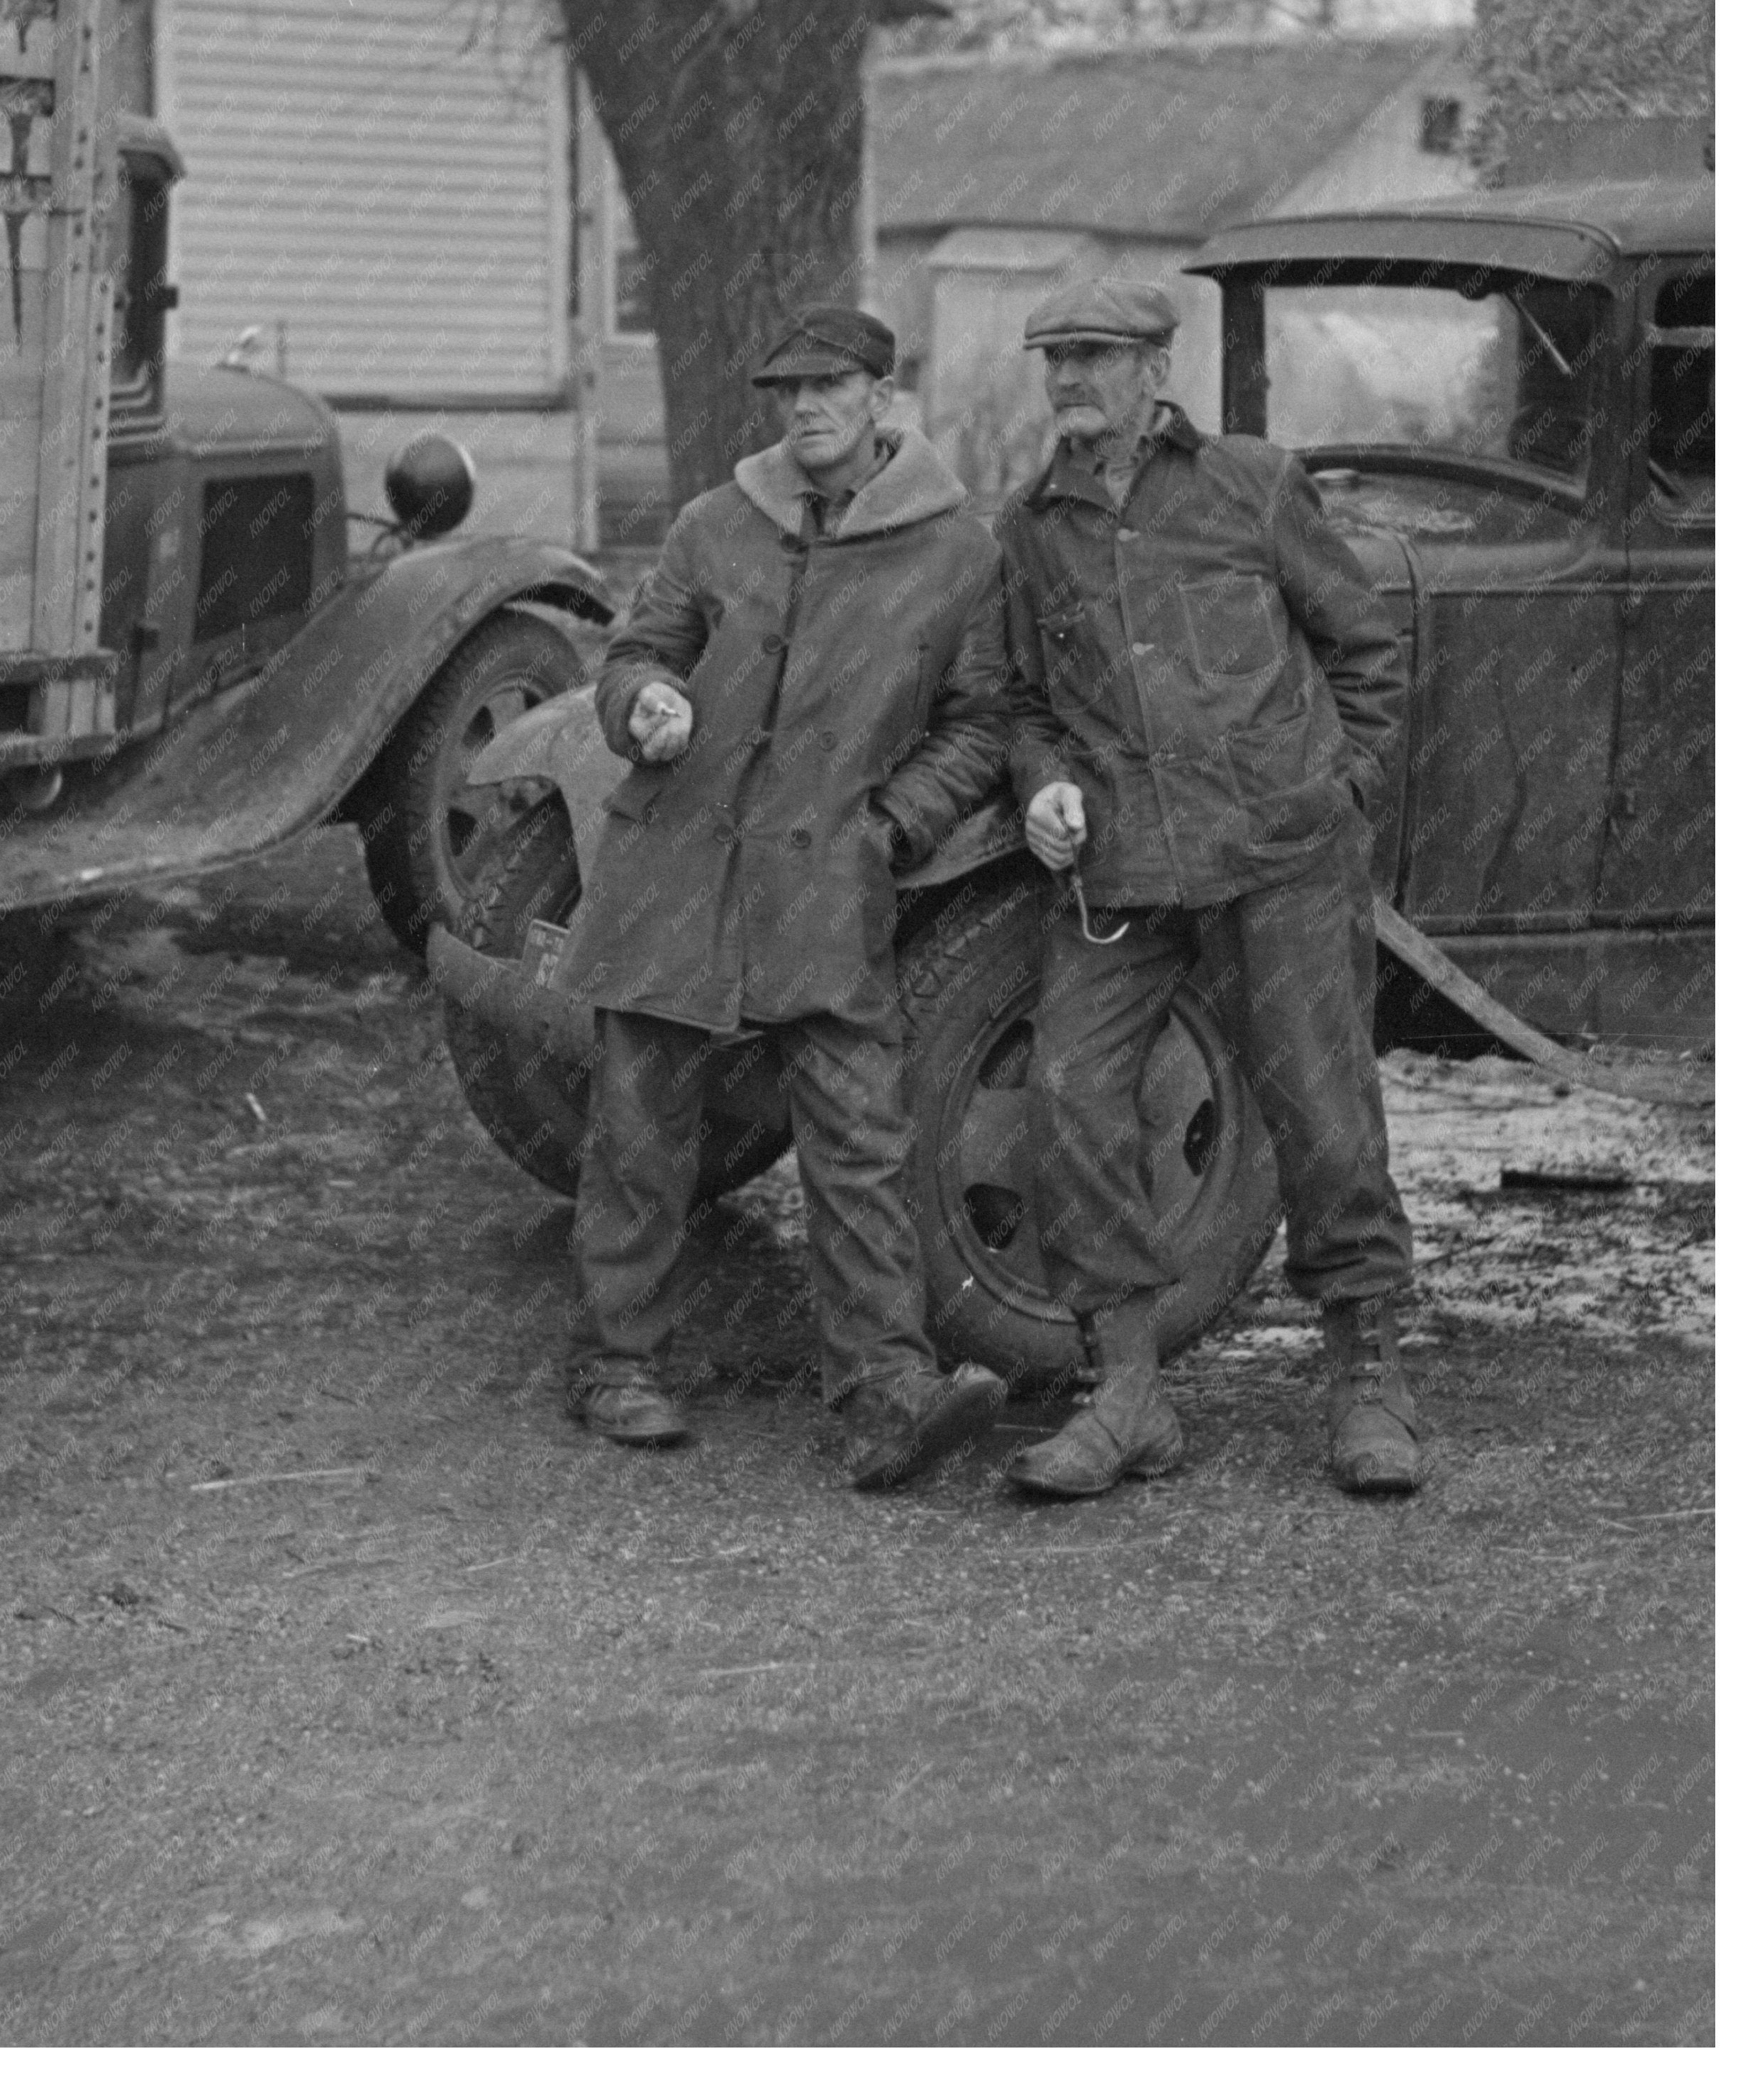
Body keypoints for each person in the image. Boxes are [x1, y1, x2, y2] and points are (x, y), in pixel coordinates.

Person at [557, 304, 1010, 1490]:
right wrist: (641, 702)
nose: (805, 408)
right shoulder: (719, 524)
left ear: (881, 397)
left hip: (827, 872)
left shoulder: (956, 552)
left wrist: (892, 827)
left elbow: (983, 725)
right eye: (788, 390)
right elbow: (633, 649)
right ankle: (618, 1364)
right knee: (643, 1127)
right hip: (679, 857)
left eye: (830, 387)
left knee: (859, 1137)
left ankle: (884, 1394)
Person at [994, 272, 1422, 1500]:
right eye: (1053, 358)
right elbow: (1021, 700)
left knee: (1323, 1107)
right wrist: (1042, 782)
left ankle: (1368, 1373)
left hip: (1280, 852)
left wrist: (1346, 788)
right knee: (1071, 1091)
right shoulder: (1031, 526)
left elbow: (1362, 642)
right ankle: (1127, 1389)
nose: (1068, 379)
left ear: (1155, 371)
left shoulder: (1250, 484)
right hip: (1124, 870)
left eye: (1092, 355)